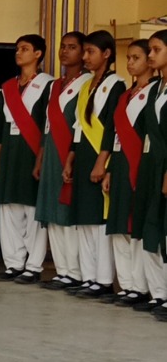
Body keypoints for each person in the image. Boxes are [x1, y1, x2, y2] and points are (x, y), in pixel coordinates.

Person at [63, 30, 124, 300]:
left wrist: (102, 162)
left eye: (90, 52)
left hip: (102, 155)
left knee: (100, 221)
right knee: (84, 219)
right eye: (84, 52)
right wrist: (70, 158)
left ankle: (102, 279)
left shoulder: (117, 84)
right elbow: (79, 126)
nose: (85, 57)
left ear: (107, 54)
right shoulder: (87, 85)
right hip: (84, 154)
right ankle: (88, 277)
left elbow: (112, 125)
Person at [0, 34, 52, 283]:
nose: (18, 53)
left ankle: (33, 265)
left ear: (38, 54)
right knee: (9, 209)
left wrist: (41, 157)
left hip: (32, 152)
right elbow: (2, 129)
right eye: (17, 49)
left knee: (31, 208)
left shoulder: (47, 85)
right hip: (10, 154)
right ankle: (13, 263)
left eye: (24, 49)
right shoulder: (8, 87)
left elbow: (48, 125)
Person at [100, 39, 155, 306]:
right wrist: (108, 167)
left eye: (136, 57)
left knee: (135, 225)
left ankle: (140, 286)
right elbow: (112, 134)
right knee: (119, 223)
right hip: (120, 163)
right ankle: (126, 284)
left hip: (140, 162)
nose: (131, 62)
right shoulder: (125, 95)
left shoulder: (155, 92)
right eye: (129, 58)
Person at [35, 31, 88, 291]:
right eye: (63, 47)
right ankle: (62, 270)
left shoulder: (87, 82)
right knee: (52, 213)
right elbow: (46, 124)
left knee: (66, 211)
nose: (65, 51)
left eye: (72, 47)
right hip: (51, 151)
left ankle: (75, 271)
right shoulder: (56, 84)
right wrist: (41, 157)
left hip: (69, 149)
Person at [130, 28, 167, 317]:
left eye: (156, 50)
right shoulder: (155, 89)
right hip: (150, 165)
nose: (151, 55)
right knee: (150, 227)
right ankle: (158, 293)